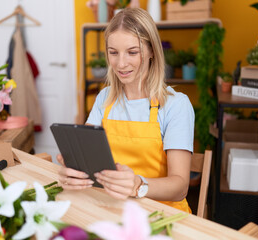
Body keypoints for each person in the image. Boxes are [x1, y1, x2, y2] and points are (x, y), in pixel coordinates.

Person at [57, 8, 194, 213]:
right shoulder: (105, 98)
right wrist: (72, 171)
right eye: (113, 53)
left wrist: (138, 185)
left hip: (161, 214)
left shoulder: (176, 105)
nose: (121, 64)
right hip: (112, 207)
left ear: (151, 52)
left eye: (132, 52)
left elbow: (180, 187)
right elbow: (85, 159)